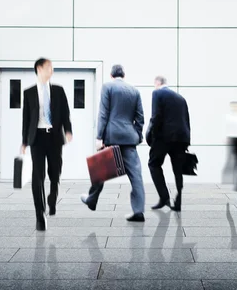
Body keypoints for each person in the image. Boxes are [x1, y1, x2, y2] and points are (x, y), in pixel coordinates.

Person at [81, 64, 146, 222]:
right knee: (136, 175)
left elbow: (103, 113)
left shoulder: (107, 87)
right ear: (124, 75)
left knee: (101, 170)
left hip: (112, 136)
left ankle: (91, 199)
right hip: (129, 138)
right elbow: (140, 118)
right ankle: (138, 210)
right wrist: (136, 135)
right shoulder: (134, 91)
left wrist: (99, 137)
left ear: (111, 75)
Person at [20, 58, 73, 231]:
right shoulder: (28, 93)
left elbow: (65, 112)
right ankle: (39, 216)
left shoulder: (58, 90)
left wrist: (68, 130)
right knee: (38, 176)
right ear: (39, 68)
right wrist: (24, 141)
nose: (51, 70)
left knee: (55, 173)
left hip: (55, 137)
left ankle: (52, 199)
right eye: (48, 67)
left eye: (52, 67)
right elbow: (26, 119)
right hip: (37, 138)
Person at [146, 76, 191, 211]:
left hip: (164, 137)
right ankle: (178, 201)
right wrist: (187, 141)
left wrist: (151, 136)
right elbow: (187, 120)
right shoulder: (181, 98)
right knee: (178, 169)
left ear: (157, 83)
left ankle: (164, 197)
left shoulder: (157, 93)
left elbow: (156, 117)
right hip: (181, 138)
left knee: (153, 164)